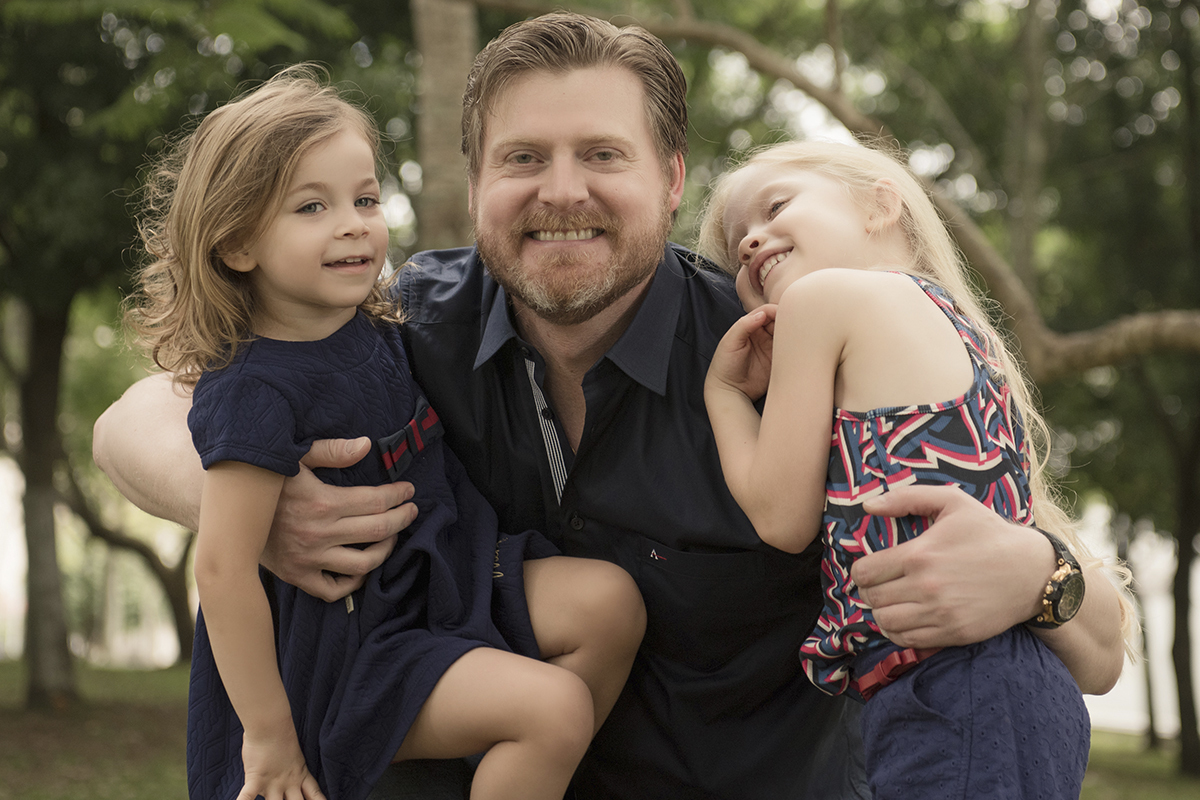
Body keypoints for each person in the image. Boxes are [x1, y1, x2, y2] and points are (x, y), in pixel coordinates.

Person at [95, 13, 1129, 800]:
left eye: (602, 155)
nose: (561, 190)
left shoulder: (776, 351)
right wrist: (249, 503)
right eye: (523, 158)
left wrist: (1043, 570)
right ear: (475, 181)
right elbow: (135, 416)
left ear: (671, 178)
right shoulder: (399, 326)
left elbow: (1095, 631)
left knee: (1014, 669)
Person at [123, 65, 645, 800]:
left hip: (441, 581)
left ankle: (503, 772)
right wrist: (269, 740)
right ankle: (498, 738)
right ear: (237, 244)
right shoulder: (253, 389)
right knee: (553, 709)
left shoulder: (380, 328)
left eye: (365, 198)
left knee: (609, 604)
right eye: (311, 207)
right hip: (347, 652)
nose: (354, 223)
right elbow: (221, 569)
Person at [698, 140, 1136, 798]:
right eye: (737, 249)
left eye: (776, 207)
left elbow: (779, 515)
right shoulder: (961, 335)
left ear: (880, 204)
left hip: (947, 689)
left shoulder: (823, 299)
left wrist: (725, 396)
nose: (753, 242)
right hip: (1030, 692)